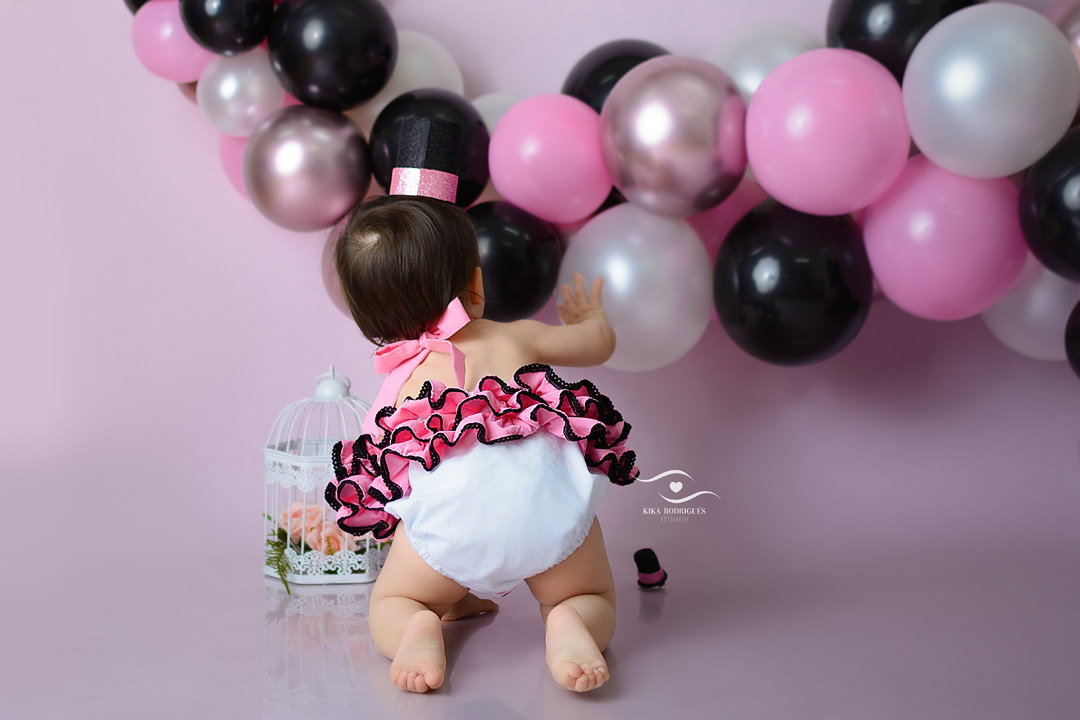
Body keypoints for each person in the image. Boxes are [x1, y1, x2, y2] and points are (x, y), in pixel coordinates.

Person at [326, 194, 637, 694]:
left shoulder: (401, 384)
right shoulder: (513, 337)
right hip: (550, 512)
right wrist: (592, 319)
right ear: (475, 284)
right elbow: (598, 344)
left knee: (394, 600)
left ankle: (419, 622)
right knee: (590, 593)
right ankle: (571, 618)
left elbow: (382, 483)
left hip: (449, 534)